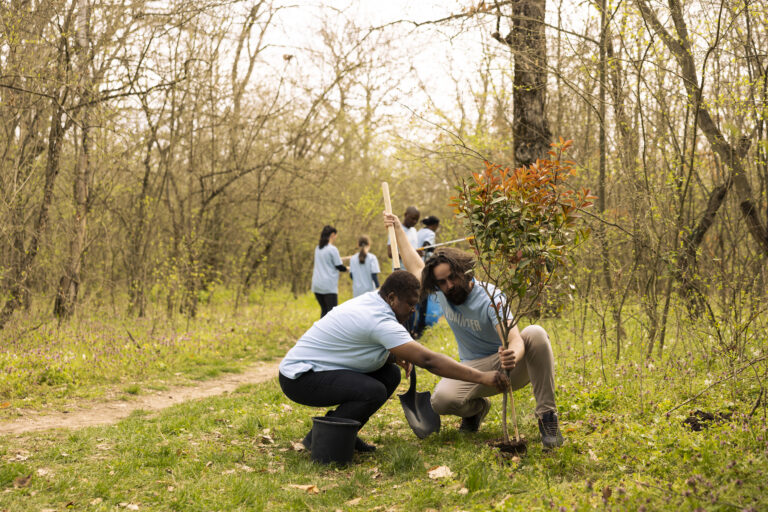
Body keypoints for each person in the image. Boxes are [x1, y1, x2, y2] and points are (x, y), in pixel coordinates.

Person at [384, 212, 564, 448]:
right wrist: (398, 228)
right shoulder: (442, 291)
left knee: (536, 333)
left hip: (510, 366)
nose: (448, 286)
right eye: (441, 282)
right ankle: (476, 410)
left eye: (451, 279)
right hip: (474, 370)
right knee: (440, 401)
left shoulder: (491, 296)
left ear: (464, 272)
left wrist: (513, 354)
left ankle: (547, 417)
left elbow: (514, 338)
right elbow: (415, 264)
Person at [279, 270, 510, 452]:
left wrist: (392, 355)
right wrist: (481, 377)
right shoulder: (378, 320)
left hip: (317, 368)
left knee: (390, 375)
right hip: (300, 378)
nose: (412, 310)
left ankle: (345, 432)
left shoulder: (374, 300)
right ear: (391, 297)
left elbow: (358, 344)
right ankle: (321, 439)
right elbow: (429, 360)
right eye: (410, 304)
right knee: (372, 390)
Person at [412, 216, 440, 338]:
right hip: (423, 269)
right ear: (434, 225)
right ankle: (419, 329)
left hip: (412, 268)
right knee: (423, 300)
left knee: (414, 299)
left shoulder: (417, 232)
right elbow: (426, 244)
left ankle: (412, 328)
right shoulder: (430, 233)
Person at [311, 225, 347, 318]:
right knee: (332, 314)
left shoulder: (318, 248)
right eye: (335, 235)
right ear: (332, 235)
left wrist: (348, 258)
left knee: (324, 311)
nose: (336, 238)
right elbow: (339, 266)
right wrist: (350, 268)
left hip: (317, 286)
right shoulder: (332, 249)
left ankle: (320, 332)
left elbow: (329, 260)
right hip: (328, 287)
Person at [387, 206, 420, 271]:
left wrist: (418, 253)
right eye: (413, 218)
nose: (414, 221)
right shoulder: (395, 230)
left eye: (417, 220)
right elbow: (390, 253)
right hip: (400, 271)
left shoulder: (414, 231)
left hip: (414, 271)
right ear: (405, 215)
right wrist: (411, 254)